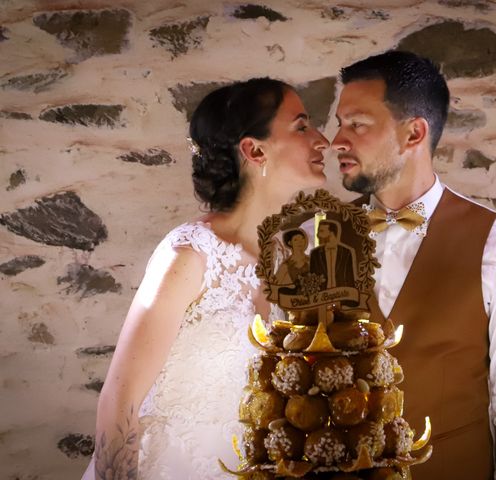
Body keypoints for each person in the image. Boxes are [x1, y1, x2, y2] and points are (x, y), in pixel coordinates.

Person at [81, 78, 329, 479]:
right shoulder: (191, 254)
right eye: (301, 127)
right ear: (255, 149)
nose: (323, 140)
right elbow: (119, 400)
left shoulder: (289, 259)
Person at [332, 51, 496, 479]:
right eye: (339, 123)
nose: (338, 140)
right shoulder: (316, 238)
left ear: (414, 133)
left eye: (357, 125)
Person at [309, 219, 356, 289]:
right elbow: (313, 279)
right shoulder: (315, 254)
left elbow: (350, 278)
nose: (318, 235)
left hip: (342, 295)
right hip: (322, 296)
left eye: (321, 231)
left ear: (331, 233)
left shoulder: (346, 252)